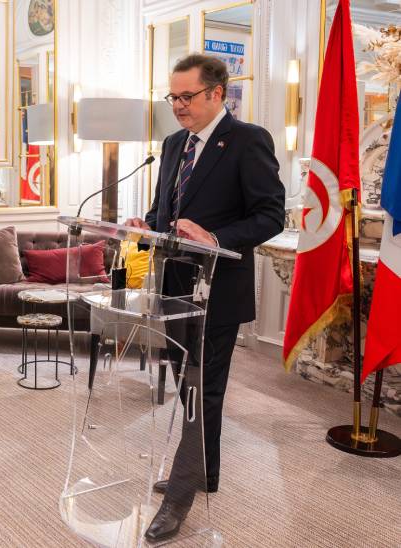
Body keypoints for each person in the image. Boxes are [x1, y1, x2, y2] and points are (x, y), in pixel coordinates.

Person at [124, 54, 284, 542]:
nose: (177, 105)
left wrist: (215, 237)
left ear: (217, 94)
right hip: (174, 288)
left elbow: (270, 215)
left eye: (186, 96)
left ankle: (180, 496)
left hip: (217, 291)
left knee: (201, 391)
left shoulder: (248, 140)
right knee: (186, 385)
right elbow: (163, 213)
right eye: (172, 96)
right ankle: (204, 471)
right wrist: (143, 228)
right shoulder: (173, 145)